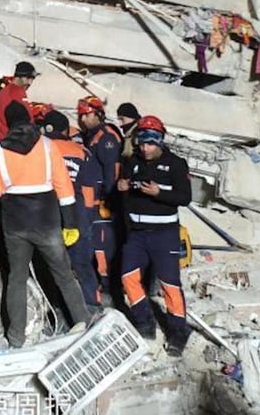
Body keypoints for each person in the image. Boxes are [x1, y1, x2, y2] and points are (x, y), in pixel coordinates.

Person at [0, 102, 90, 348]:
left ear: (8, 123)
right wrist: (70, 222)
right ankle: (83, 322)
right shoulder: (47, 145)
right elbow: (64, 185)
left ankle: (16, 338)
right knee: (63, 274)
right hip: (47, 219)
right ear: (30, 120)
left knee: (16, 279)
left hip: (14, 222)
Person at [117, 115, 193, 356]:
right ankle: (145, 323)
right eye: (141, 143)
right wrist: (122, 188)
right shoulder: (133, 162)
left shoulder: (176, 164)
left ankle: (178, 332)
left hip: (165, 235)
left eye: (150, 143)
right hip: (137, 235)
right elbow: (124, 193)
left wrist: (159, 193)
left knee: (170, 285)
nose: (145, 148)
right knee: (127, 277)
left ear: (159, 142)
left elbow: (184, 198)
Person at [42, 110, 101, 310]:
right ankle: (92, 305)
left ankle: (56, 310)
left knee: (51, 265)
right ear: (66, 130)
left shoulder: (40, 150)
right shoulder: (81, 152)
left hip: (48, 211)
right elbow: (88, 190)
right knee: (82, 264)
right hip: (77, 211)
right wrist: (88, 219)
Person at [76, 96, 122, 299]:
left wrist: (108, 198)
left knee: (102, 244)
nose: (83, 119)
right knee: (93, 243)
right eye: (81, 115)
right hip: (89, 199)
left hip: (101, 200)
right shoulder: (90, 135)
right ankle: (99, 281)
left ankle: (109, 283)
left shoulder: (106, 137)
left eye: (87, 115)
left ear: (98, 114)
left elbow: (112, 170)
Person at [0, 61, 39, 143]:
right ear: (18, 77)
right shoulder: (13, 95)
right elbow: (21, 127)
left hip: (9, 143)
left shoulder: (12, 92)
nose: (30, 83)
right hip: (13, 145)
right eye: (27, 78)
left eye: (32, 79)